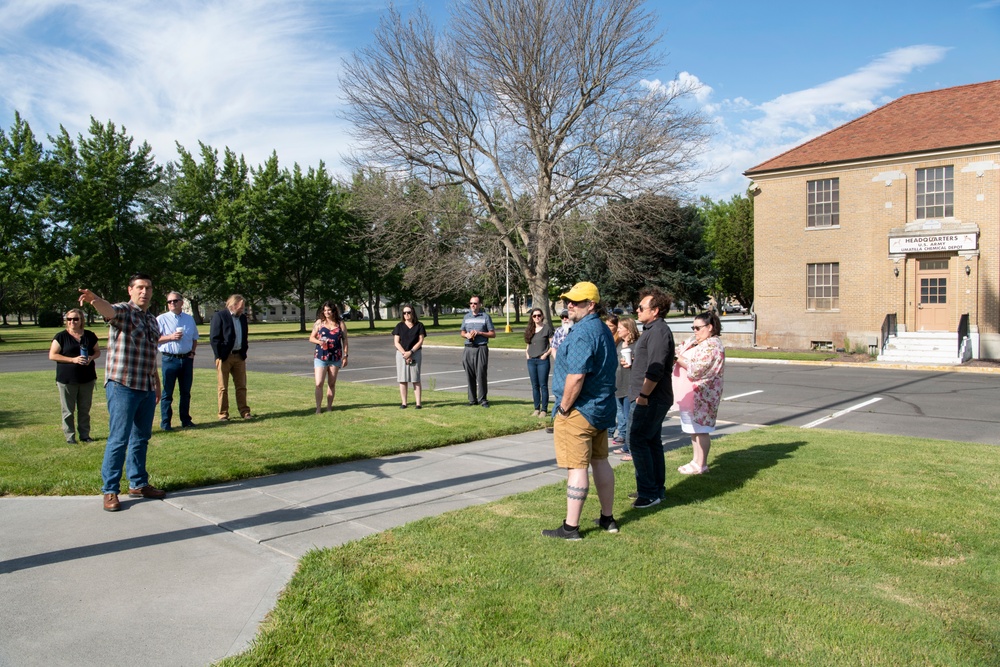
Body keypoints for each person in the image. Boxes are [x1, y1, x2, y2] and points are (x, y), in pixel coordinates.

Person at [78, 274, 165, 512]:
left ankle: (138, 483)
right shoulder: (125, 311)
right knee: (119, 439)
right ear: (130, 290)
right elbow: (110, 311)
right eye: (139, 287)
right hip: (123, 385)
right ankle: (110, 490)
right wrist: (95, 299)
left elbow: (150, 354)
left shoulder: (151, 320)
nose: (144, 292)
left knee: (141, 438)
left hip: (146, 386)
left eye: (148, 287)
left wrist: (156, 383)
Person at [543, 281, 619, 540]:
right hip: (601, 409)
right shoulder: (602, 329)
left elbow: (576, 377)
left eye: (576, 301)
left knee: (577, 468)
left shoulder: (583, 333)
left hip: (579, 411)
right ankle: (607, 518)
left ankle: (570, 528)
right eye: (568, 301)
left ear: (591, 304)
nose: (569, 305)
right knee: (600, 462)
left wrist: (563, 408)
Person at [628, 287, 675, 509]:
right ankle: (655, 489)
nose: (637, 310)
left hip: (651, 398)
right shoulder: (652, 329)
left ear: (655, 311)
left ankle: (648, 493)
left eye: (641, 307)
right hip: (650, 397)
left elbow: (655, 369)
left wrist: (644, 395)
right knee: (651, 441)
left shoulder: (658, 331)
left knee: (637, 440)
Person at [673, 311, 726, 475]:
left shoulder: (713, 345)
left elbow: (697, 368)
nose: (694, 331)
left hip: (703, 395)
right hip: (691, 394)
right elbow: (681, 349)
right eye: (693, 327)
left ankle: (701, 464)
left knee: (701, 429)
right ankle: (695, 460)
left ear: (710, 327)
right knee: (693, 429)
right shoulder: (696, 342)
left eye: (697, 327)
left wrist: (678, 358)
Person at [48, 308, 101, 444]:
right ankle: (70, 437)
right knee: (68, 411)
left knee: (84, 410)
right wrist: (73, 360)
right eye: (69, 319)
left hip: (87, 378)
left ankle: (85, 435)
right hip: (67, 379)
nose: (72, 322)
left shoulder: (89, 335)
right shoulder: (61, 336)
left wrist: (91, 357)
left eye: (75, 319)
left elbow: (97, 352)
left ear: (81, 320)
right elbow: (53, 355)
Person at [156, 292, 199, 430]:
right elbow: (154, 338)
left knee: (185, 392)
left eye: (175, 301)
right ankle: (166, 423)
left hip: (186, 359)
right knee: (167, 393)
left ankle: (185, 420)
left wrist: (192, 352)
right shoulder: (161, 319)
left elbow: (194, 337)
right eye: (169, 301)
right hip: (169, 358)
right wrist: (170, 337)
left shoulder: (189, 319)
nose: (172, 303)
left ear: (181, 302)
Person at [210, 294, 251, 421]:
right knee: (223, 387)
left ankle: (244, 411)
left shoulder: (242, 318)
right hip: (225, 357)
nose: (242, 310)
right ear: (233, 305)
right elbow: (214, 338)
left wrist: (244, 352)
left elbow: (244, 337)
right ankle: (223, 413)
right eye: (241, 307)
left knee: (241, 385)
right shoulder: (220, 316)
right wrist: (220, 355)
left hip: (239, 356)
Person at [309, 302, 349, 413]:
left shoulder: (340, 323)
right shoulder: (319, 323)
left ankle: (329, 407)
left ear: (334, 311)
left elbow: (345, 340)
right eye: (325, 310)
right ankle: (318, 408)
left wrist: (345, 356)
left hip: (335, 357)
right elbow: (311, 338)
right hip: (320, 356)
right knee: (318, 383)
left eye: (329, 310)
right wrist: (320, 342)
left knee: (331, 383)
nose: (326, 312)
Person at [612, 317, 640, 461]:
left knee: (630, 417)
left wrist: (633, 361)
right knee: (622, 414)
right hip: (619, 383)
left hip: (630, 384)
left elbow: (641, 364)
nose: (618, 330)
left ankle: (631, 448)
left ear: (628, 329)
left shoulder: (637, 345)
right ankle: (626, 445)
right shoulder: (620, 344)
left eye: (621, 328)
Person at [460, 295, 495, 407]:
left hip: (481, 347)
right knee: (469, 374)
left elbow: (492, 334)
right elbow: (462, 332)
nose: (473, 305)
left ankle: (483, 399)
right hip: (468, 348)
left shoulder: (485, 317)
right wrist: (467, 335)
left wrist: (480, 333)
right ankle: (472, 399)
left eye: (475, 303)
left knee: (481, 374)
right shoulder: (466, 317)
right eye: (471, 303)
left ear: (480, 304)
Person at [392, 305, 425, 409]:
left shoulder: (419, 326)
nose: (406, 315)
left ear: (413, 313)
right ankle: (404, 403)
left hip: (415, 353)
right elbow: (396, 342)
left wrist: (411, 352)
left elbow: (420, 341)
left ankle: (418, 403)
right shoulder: (399, 326)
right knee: (402, 379)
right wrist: (405, 354)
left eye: (408, 312)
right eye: (404, 313)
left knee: (416, 379)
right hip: (401, 354)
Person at [524, 307, 553, 417]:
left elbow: (552, 345)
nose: (537, 317)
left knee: (543, 385)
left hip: (542, 361)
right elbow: (528, 343)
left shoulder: (547, 329)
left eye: (539, 315)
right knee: (534, 385)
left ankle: (544, 410)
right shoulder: (530, 329)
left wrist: (545, 354)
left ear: (542, 316)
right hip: (531, 360)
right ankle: (536, 408)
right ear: (532, 317)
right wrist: (527, 354)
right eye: (534, 316)